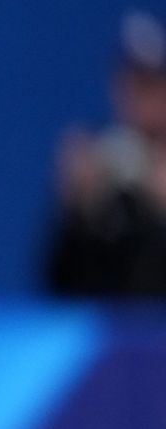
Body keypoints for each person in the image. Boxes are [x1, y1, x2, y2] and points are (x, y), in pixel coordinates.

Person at [45, 8, 166, 297]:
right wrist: (78, 214)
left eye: (151, 84)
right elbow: (58, 285)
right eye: (131, 83)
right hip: (111, 338)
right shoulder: (98, 159)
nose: (139, 98)